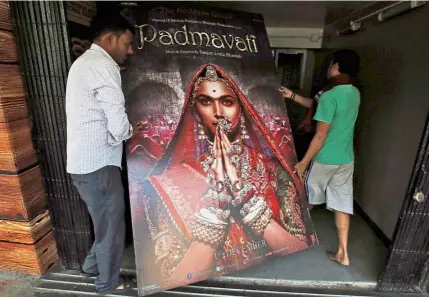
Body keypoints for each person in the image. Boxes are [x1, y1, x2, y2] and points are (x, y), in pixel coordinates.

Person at [133, 64, 316, 292]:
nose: (218, 112)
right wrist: (216, 205)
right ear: (195, 109)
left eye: (227, 101)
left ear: (241, 107)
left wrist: (248, 202)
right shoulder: (169, 183)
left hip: (269, 283)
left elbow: (300, 247)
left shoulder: (273, 171)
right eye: (206, 101)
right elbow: (170, 278)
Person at [65, 13, 142, 293]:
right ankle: (108, 284)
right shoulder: (103, 65)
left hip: (82, 164)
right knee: (111, 226)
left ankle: (92, 265)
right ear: (110, 39)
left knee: (103, 220)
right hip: (98, 164)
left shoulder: (84, 63)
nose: (130, 50)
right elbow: (119, 125)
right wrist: (132, 130)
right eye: (127, 43)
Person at [280, 49, 361, 266]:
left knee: (304, 197)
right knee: (342, 203)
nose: (328, 68)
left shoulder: (329, 95)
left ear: (336, 67)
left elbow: (320, 134)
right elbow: (316, 106)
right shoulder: (353, 92)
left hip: (325, 158)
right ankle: (343, 253)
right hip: (346, 158)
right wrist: (292, 95)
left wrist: (304, 162)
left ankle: (290, 240)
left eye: (331, 64)